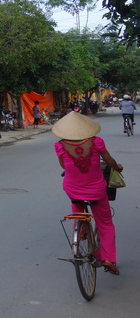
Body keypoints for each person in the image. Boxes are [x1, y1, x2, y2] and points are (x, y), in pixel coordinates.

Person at [54, 111, 123, 275]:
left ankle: (82, 231)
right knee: (105, 224)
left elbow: (64, 166)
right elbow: (109, 161)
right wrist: (118, 167)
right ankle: (108, 259)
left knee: (77, 207)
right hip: (97, 190)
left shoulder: (60, 145)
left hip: (72, 188)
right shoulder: (97, 142)